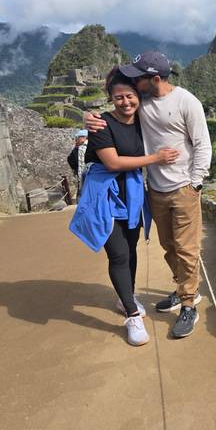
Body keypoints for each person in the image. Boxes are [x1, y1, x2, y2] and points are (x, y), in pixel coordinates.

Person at [85, 51, 212, 339]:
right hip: (155, 190)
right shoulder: (141, 103)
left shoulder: (186, 102)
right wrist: (87, 117)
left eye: (138, 77)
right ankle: (182, 291)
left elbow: (203, 145)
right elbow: (116, 111)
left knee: (187, 249)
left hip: (183, 189)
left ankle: (189, 305)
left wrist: (196, 183)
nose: (132, 80)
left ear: (154, 79)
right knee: (168, 247)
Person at [70, 70, 179, 346]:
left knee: (130, 250)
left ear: (138, 97)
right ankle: (132, 316)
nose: (125, 102)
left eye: (130, 96)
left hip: (132, 196)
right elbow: (113, 163)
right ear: (111, 99)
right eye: (118, 97)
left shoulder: (142, 121)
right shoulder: (101, 126)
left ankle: (125, 297)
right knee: (118, 254)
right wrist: (155, 158)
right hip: (104, 196)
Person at [67, 129, 89, 197]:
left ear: (83, 138)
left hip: (84, 175)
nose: (76, 140)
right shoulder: (93, 144)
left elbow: (70, 160)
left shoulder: (80, 147)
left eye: (77, 138)